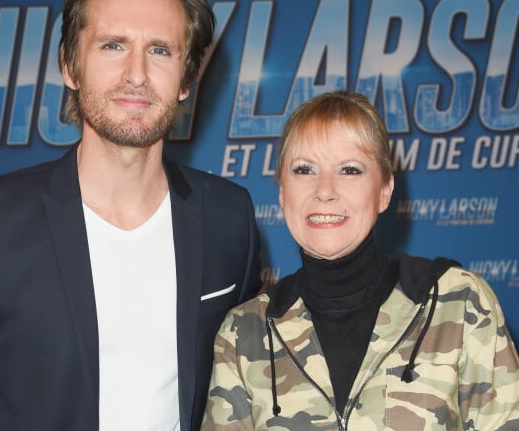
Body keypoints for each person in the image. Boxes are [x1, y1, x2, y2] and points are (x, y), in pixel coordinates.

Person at [0, 0, 261, 431]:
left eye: (160, 50)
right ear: (70, 66)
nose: (136, 74)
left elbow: (249, 388)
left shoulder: (228, 216)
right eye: (113, 45)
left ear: (185, 80)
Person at [201, 90, 519, 430]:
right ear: (282, 191)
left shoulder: (458, 302)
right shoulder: (243, 332)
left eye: (350, 170)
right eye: (304, 169)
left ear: (384, 191)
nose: (325, 190)